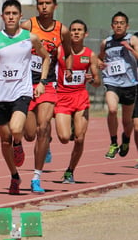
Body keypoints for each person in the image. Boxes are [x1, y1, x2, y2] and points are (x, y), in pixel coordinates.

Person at [0, 0, 50, 195]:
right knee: (4, 140)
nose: (11, 17)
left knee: (16, 129)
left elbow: (46, 57)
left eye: (15, 13)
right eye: (7, 13)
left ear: (20, 16)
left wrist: (42, 82)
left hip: (21, 93)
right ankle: (14, 176)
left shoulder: (30, 38)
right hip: (0, 96)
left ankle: (18, 143)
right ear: (2, 16)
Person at [20, 0, 72, 193]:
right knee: (30, 134)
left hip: (48, 84)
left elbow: (68, 53)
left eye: (47, 3)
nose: (44, 7)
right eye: (40, 3)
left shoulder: (62, 30)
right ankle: (44, 142)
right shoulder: (27, 26)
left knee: (43, 128)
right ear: (37, 6)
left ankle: (36, 178)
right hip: (25, 84)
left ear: (55, 6)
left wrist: (67, 69)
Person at [54, 19, 101, 183]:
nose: (75, 32)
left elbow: (97, 82)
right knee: (64, 137)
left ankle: (70, 171)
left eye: (79, 30)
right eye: (73, 30)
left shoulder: (90, 55)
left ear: (85, 34)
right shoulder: (60, 51)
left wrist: (91, 79)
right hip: (62, 97)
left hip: (80, 97)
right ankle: (62, 130)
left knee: (80, 138)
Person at [98, 11, 138, 159]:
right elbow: (99, 59)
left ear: (127, 26)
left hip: (130, 84)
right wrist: (100, 64)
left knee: (127, 122)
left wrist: (130, 49)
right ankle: (114, 142)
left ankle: (125, 139)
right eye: (116, 23)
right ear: (112, 25)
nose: (118, 26)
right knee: (113, 109)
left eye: (121, 23)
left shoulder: (132, 39)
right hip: (112, 82)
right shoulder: (106, 42)